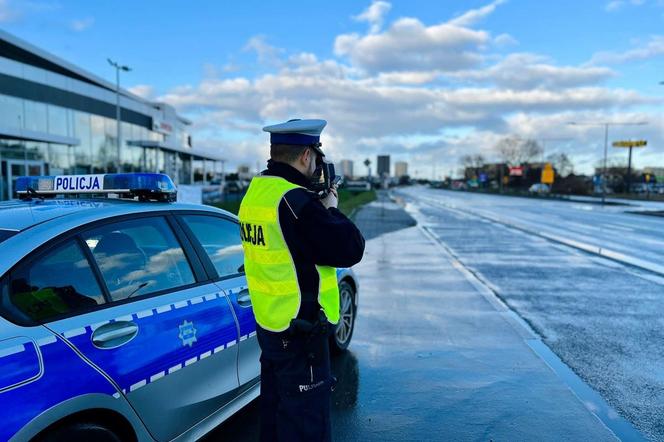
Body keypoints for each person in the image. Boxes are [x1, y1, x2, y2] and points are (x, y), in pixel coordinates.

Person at [238, 119, 365, 441]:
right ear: (307, 155)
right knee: (307, 424)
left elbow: (290, 246)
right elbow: (349, 249)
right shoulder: (296, 202)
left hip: (271, 322)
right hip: (301, 332)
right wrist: (332, 210)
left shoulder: (258, 192)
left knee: (276, 414)